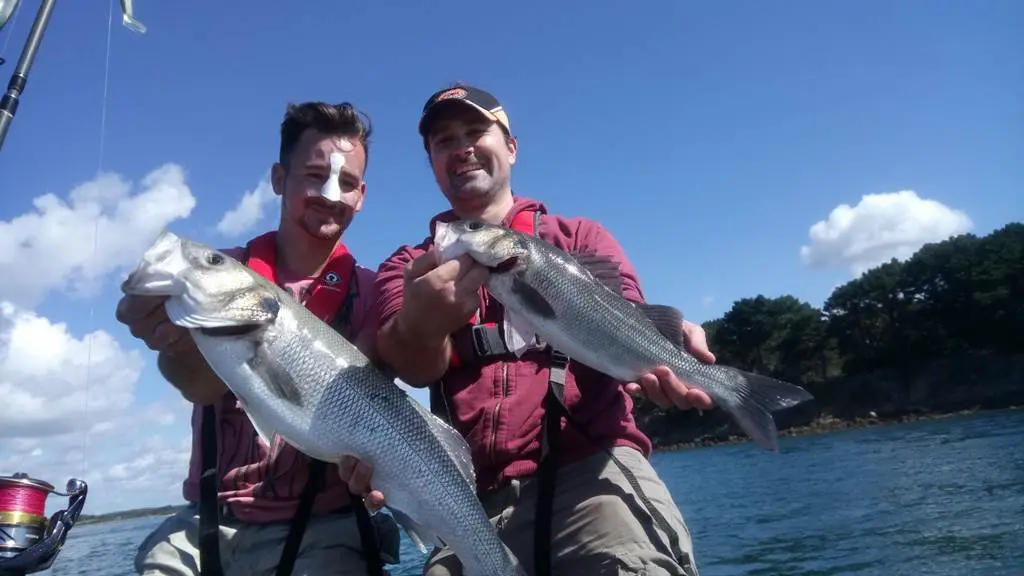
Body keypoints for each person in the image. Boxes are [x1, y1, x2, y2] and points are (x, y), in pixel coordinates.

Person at [340, 84, 718, 576]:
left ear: (512, 147)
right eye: (444, 141)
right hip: (470, 503)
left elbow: (629, 314)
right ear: (431, 163)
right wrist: (421, 324)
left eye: (476, 132)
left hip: (595, 472)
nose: (462, 148)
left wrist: (670, 348)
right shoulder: (408, 266)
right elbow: (407, 364)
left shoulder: (579, 238)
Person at [116, 101, 398, 576]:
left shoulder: (373, 292)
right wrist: (169, 335)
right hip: (208, 522)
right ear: (278, 178)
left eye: (347, 182)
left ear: (362, 196)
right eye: (314, 175)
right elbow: (197, 385)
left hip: (325, 528)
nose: (330, 193)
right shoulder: (223, 270)